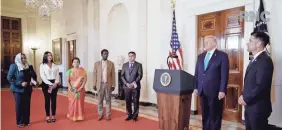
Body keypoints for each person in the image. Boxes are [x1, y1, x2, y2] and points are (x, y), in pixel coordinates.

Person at [238, 32, 273, 130]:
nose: (247, 43)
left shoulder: (264, 61)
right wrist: (243, 95)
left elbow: (260, 86)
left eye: (250, 41)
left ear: (258, 44)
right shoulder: (255, 59)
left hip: (258, 108)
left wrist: (246, 98)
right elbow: (250, 83)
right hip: (251, 105)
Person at [193, 35, 229, 130]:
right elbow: (197, 73)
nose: (205, 43)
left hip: (216, 92)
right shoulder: (200, 56)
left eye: (207, 42)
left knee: (215, 116)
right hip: (202, 90)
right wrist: (196, 87)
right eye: (204, 42)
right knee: (205, 115)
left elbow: (224, 75)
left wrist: (222, 90)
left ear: (214, 42)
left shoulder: (222, 56)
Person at [7, 53, 37, 128]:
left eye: (25, 58)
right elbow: (9, 78)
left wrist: (32, 82)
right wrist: (20, 83)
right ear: (18, 59)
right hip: (18, 89)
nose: (24, 59)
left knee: (27, 105)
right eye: (22, 58)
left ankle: (26, 121)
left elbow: (34, 76)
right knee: (19, 105)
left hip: (28, 89)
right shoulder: (14, 66)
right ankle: (20, 122)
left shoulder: (29, 66)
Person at [93, 49, 116, 121]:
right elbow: (94, 74)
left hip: (108, 84)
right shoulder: (96, 64)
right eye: (104, 53)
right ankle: (100, 114)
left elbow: (113, 75)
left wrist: (113, 85)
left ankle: (108, 115)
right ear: (101, 54)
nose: (106, 55)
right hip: (100, 84)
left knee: (108, 100)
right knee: (100, 100)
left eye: (107, 54)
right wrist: (94, 84)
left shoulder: (111, 63)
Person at [121, 51, 143, 122]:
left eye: (132, 56)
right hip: (127, 87)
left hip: (135, 86)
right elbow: (122, 76)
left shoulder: (139, 65)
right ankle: (129, 114)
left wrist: (134, 82)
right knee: (128, 101)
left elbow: (140, 75)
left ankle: (135, 116)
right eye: (129, 56)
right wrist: (126, 83)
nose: (130, 57)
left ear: (135, 57)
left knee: (136, 101)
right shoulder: (124, 65)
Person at [40, 51, 60, 123]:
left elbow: (57, 75)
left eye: (51, 55)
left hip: (54, 84)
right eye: (48, 55)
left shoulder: (55, 65)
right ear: (45, 56)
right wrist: (49, 84)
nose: (50, 56)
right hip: (46, 84)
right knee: (47, 100)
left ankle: (53, 115)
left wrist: (55, 83)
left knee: (54, 100)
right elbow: (42, 76)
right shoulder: (42, 65)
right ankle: (48, 116)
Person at [66, 57, 87, 121]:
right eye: (74, 62)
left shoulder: (82, 70)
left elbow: (85, 80)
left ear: (79, 63)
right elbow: (67, 81)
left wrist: (81, 87)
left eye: (77, 62)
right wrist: (71, 88)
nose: (76, 63)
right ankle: (72, 116)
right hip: (72, 90)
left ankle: (79, 116)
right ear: (72, 63)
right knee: (72, 103)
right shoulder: (69, 71)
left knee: (80, 103)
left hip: (81, 90)